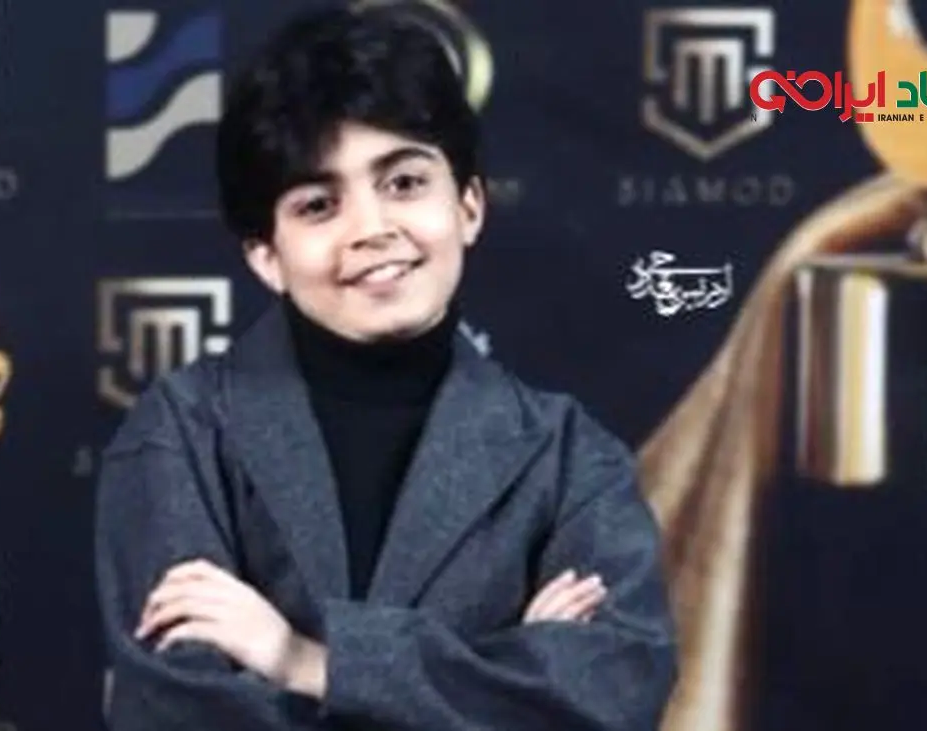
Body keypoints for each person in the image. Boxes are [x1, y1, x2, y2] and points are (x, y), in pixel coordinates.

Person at [93, 7, 679, 730]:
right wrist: (504, 677)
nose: (371, 229)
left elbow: (610, 694)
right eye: (319, 204)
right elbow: (179, 712)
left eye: (403, 183)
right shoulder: (183, 434)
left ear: (469, 205)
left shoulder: (572, 461)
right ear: (266, 255)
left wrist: (306, 660)